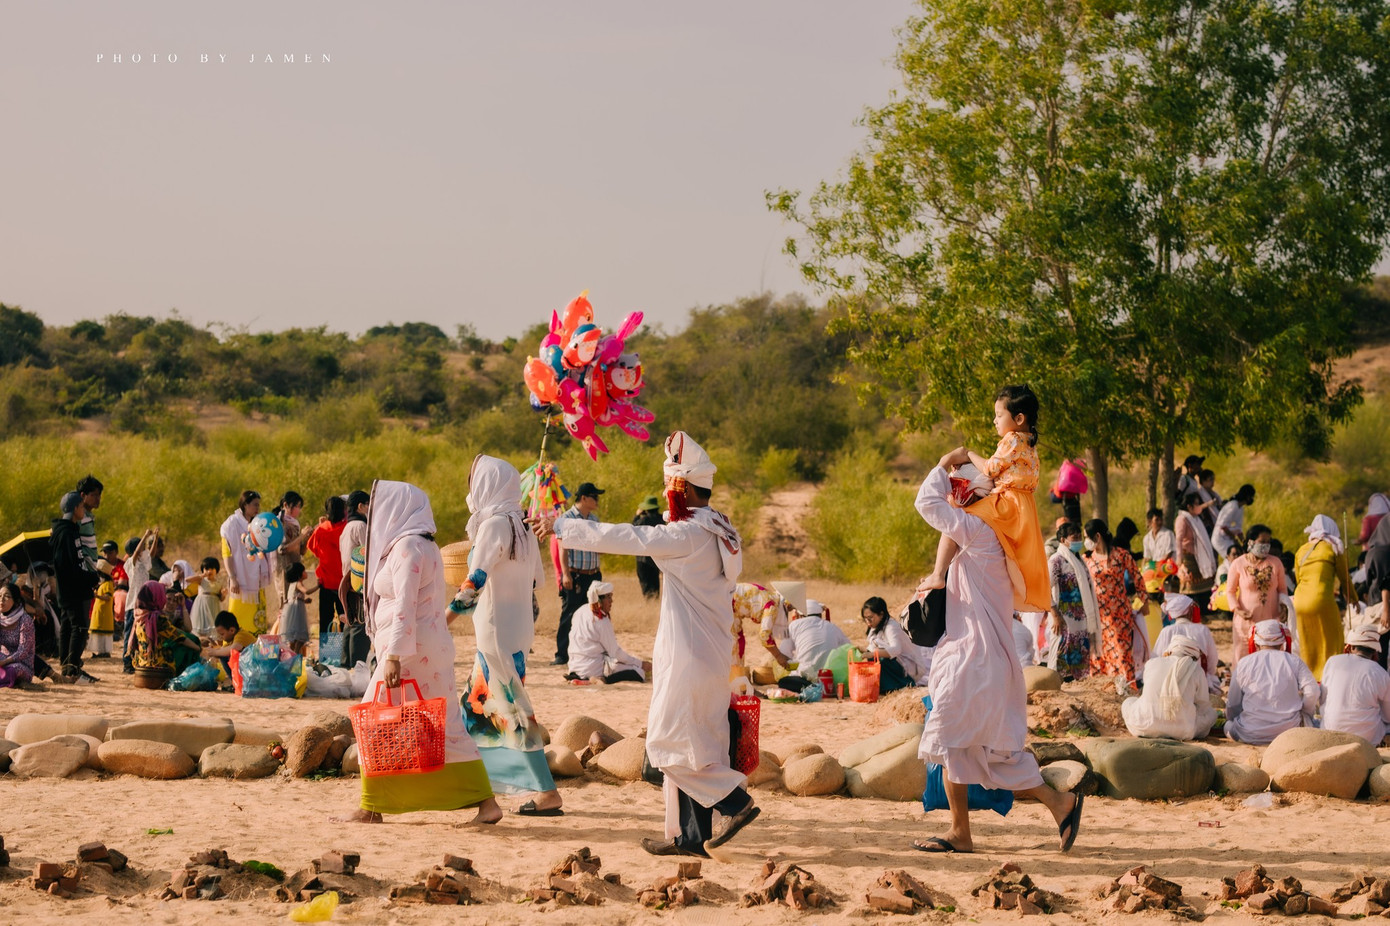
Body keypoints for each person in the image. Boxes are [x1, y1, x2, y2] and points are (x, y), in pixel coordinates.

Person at [543, 430, 758, 858]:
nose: (665, 494)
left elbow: (630, 538)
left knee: (666, 747)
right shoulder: (719, 528)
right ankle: (690, 838)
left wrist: (563, 525)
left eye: (669, 485)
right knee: (700, 749)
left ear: (682, 487)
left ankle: (735, 802)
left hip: (687, 660)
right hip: (711, 659)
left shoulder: (687, 536)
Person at [910, 454, 1082, 854]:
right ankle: (1057, 804)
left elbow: (926, 503)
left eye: (957, 488)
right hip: (983, 659)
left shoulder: (977, 529)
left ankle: (962, 832)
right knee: (977, 749)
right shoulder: (993, 534)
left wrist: (942, 462)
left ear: (969, 494)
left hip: (974, 659)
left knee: (952, 737)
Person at [333, 479, 502, 826]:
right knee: (446, 725)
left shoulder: (408, 548)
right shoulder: (421, 545)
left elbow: (404, 607)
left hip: (411, 652)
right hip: (426, 647)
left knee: (372, 718)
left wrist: (393, 656)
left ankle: (371, 807)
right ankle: (487, 804)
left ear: (397, 510)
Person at [459, 456, 562, 816]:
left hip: (495, 629)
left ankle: (547, 791)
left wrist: (447, 614)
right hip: (517, 629)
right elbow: (535, 580)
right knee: (475, 710)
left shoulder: (493, 526)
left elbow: (475, 580)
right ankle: (483, 792)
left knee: (513, 711)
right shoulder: (523, 526)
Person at [922, 385, 1049, 613]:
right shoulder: (1029, 441)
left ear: (1019, 418)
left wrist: (968, 454)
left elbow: (990, 469)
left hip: (1007, 502)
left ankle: (938, 574)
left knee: (956, 521)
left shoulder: (1012, 439)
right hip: (1024, 507)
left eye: (999, 415)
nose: (994, 420)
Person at [1225, 619, 1320, 744]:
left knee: (1228, 725)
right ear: (1282, 643)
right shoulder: (1295, 661)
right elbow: (1313, 691)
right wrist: (1305, 712)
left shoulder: (1244, 663)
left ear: (1256, 643)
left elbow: (1233, 704)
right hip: (1290, 732)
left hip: (1250, 734)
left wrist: (1235, 718)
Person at [1293, 514, 1358, 680]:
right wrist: (1354, 598)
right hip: (1321, 598)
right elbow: (1344, 577)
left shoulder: (1301, 550)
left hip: (1300, 601)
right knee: (1333, 638)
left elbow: (1298, 579)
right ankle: (1331, 677)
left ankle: (1311, 679)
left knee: (1308, 641)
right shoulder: (1333, 547)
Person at [1083, 519, 1146, 687]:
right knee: (1098, 654)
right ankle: (1102, 690)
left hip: (1120, 615)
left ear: (1097, 536)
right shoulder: (1086, 559)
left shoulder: (1121, 555)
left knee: (1122, 652)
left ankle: (1128, 688)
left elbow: (1137, 577)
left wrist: (1144, 600)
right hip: (1097, 616)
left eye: (1087, 537)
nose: (1085, 541)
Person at [1121, 636, 1217, 740]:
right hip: (1182, 731)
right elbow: (1203, 706)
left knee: (1128, 702)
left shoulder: (1151, 663)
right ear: (1194, 656)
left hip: (1144, 726)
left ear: (1171, 650)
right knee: (1212, 714)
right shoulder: (1197, 669)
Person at [553, 482, 605, 666]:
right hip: (575, 575)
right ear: (584, 498)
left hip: (593, 574)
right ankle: (562, 654)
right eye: (594, 497)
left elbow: (601, 546)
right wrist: (565, 574)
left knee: (594, 614)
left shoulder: (594, 520)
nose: (597, 500)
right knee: (570, 614)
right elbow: (562, 549)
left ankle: (590, 652)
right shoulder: (566, 519)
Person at [51, 491, 101, 678]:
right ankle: (71, 669)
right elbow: (69, 566)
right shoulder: (65, 533)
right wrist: (89, 579)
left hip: (72, 589)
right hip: (71, 590)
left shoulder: (70, 530)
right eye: (81, 507)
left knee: (68, 626)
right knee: (78, 627)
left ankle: (69, 668)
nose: (83, 510)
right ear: (74, 509)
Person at [1225, 524, 1287, 670]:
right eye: (1262, 542)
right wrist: (1237, 610)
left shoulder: (1275, 563)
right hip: (1246, 622)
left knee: (1270, 662)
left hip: (1271, 621)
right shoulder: (1238, 564)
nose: (1266, 546)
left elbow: (1282, 589)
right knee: (1243, 659)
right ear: (1251, 542)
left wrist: (1284, 607)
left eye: (1268, 542)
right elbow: (1230, 591)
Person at [1319, 625, 1390, 747]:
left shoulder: (1332, 661)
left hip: (1330, 730)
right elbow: (1387, 715)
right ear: (1374, 651)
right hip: (1365, 739)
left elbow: (1322, 698)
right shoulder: (1380, 672)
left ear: (1351, 647)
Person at [566, 581, 649, 683]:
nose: (611, 601)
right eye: (608, 597)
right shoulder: (601, 619)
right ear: (599, 600)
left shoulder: (580, 611)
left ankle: (580, 678)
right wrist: (641, 664)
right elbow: (615, 653)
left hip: (573, 667)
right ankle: (602, 680)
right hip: (592, 669)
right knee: (639, 672)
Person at [1046, 522, 1098, 680]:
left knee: (1078, 663)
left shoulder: (1079, 561)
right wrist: (1055, 615)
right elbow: (1044, 588)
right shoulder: (1056, 561)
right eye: (1073, 537)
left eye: (1079, 536)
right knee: (1061, 660)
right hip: (1063, 621)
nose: (1078, 540)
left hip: (1080, 623)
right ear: (1063, 540)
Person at [220, 490, 273, 635]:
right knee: (236, 617)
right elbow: (227, 553)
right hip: (240, 581)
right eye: (255, 504)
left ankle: (255, 647)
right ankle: (235, 647)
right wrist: (233, 578)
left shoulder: (258, 524)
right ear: (245, 505)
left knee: (258, 618)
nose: (258, 508)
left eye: (258, 505)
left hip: (257, 581)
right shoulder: (231, 524)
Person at [131, 580, 201, 675]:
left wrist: (183, 606)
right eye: (167, 598)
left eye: (175, 601)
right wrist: (198, 648)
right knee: (192, 642)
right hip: (159, 665)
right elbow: (179, 638)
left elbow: (188, 629)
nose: (171, 603)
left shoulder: (140, 615)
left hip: (141, 663)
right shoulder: (157, 618)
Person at [1151, 594, 1220, 691]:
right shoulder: (1203, 630)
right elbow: (1212, 661)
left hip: (1171, 685)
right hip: (1199, 684)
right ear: (1190, 611)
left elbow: (1156, 659)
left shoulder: (1166, 631)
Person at [861, 596, 929, 692]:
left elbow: (896, 649)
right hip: (899, 662)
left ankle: (901, 683)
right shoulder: (876, 626)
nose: (868, 622)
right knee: (874, 656)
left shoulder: (891, 626)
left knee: (879, 658)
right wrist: (864, 650)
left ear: (881, 614)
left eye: (870, 618)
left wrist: (873, 653)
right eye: (865, 619)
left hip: (910, 666)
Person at [780, 599, 851, 687]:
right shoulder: (833, 627)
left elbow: (784, 653)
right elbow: (848, 649)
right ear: (820, 615)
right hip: (828, 679)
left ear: (800, 615)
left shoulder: (793, 625)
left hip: (803, 679)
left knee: (783, 682)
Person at [306, 495, 349, 634]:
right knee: (346, 620)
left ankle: (325, 647)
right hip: (345, 583)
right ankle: (345, 646)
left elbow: (313, 549)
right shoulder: (347, 528)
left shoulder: (321, 530)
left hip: (326, 583)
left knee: (325, 620)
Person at [120, 529, 156, 674]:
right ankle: (127, 663)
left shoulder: (144, 563)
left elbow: (152, 554)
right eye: (143, 547)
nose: (145, 550)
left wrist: (155, 537)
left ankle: (138, 661)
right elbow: (135, 553)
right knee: (130, 633)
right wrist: (145, 536)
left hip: (144, 605)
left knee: (142, 634)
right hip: (133, 605)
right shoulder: (130, 563)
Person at [1174, 493, 1217, 610]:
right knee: (1191, 585)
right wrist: (1179, 559)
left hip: (1199, 556)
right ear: (1189, 506)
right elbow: (1179, 539)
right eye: (1197, 504)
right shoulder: (1182, 519)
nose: (1199, 506)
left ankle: (1204, 608)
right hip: (1188, 557)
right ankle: (1191, 610)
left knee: (1204, 584)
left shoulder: (1195, 518)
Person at [339, 489, 371, 625]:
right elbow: (368, 555)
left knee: (352, 625)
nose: (370, 508)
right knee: (360, 625)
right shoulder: (361, 526)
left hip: (349, 581)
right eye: (368, 504)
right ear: (360, 506)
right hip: (359, 583)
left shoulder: (347, 527)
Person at [0, 582, 36, 687]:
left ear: (16, 601)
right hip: (2, 659)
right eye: (0, 596)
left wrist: (4, 662)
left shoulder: (25, 620)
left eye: (7, 596)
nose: (1, 600)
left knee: (12, 670)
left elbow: (23, 651)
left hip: (21, 664)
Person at [88, 542, 119, 658]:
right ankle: (101, 651)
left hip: (104, 614)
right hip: (100, 613)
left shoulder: (107, 584)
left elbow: (108, 597)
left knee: (102, 633)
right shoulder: (102, 584)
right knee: (99, 633)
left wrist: (97, 596)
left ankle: (104, 651)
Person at [1212, 484, 1255, 563]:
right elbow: (1223, 526)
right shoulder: (1233, 506)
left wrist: (1244, 542)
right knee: (1232, 558)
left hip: (1227, 537)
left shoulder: (1240, 508)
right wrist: (1234, 539)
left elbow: (1238, 528)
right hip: (1220, 538)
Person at [186, 558, 226, 638]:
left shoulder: (219, 583)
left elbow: (221, 599)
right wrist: (201, 576)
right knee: (202, 626)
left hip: (213, 607)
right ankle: (202, 641)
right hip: (202, 606)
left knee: (214, 628)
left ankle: (213, 643)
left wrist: (223, 594)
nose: (209, 571)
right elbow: (187, 580)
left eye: (212, 569)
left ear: (216, 570)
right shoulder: (201, 580)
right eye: (206, 569)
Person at [633, 496, 664, 599]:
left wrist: (637, 515)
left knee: (646, 585)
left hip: (643, 559)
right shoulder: (661, 519)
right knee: (655, 585)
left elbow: (633, 528)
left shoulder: (644, 519)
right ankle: (654, 603)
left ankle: (649, 604)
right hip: (656, 558)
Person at [278, 563, 311, 655]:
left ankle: (291, 655)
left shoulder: (292, 585)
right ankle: (295, 654)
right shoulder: (298, 584)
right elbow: (307, 591)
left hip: (293, 611)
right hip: (297, 612)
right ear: (299, 574)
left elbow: (295, 598)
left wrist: (304, 601)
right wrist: (318, 586)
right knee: (300, 636)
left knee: (294, 637)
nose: (305, 572)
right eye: (303, 571)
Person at [1050, 457, 1088, 527]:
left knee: (1053, 495)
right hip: (1070, 496)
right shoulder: (1077, 471)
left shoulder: (1066, 469)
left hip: (1060, 495)